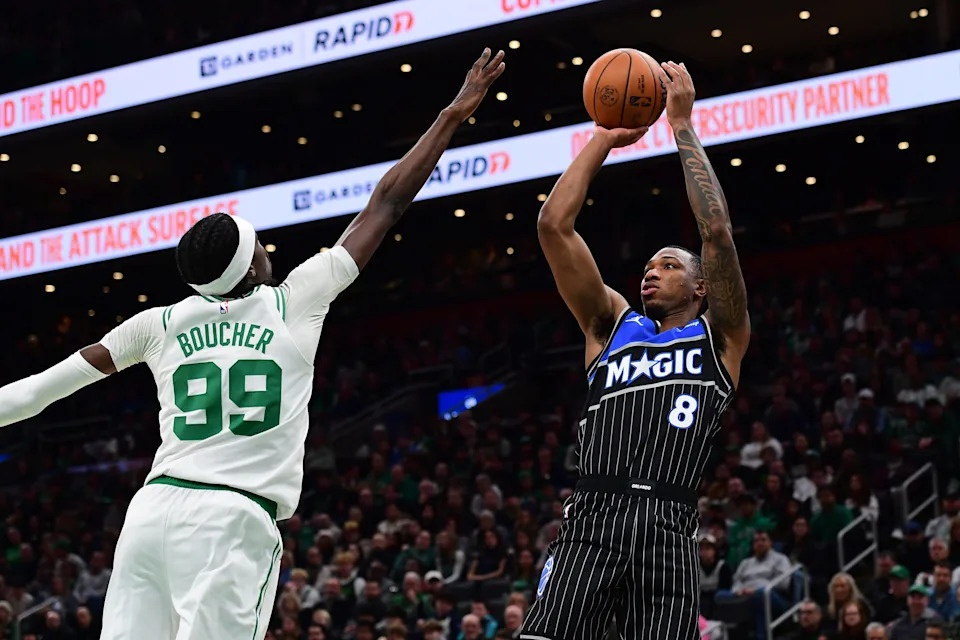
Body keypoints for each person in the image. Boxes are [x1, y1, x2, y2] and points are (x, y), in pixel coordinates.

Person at [0, 49, 506, 640]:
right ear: (252, 265)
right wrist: (452, 114)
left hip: (151, 513)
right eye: (260, 243)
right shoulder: (293, 302)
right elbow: (387, 203)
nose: (269, 247)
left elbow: (36, 394)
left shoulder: (157, 324)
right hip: (231, 519)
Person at [523, 60, 751, 640]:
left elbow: (717, 232)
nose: (650, 273)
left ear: (701, 287)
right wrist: (602, 137)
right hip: (592, 519)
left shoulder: (719, 335)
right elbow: (554, 227)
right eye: (647, 266)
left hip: (668, 521)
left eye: (668, 266)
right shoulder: (610, 325)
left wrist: (680, 127)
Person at [715, 531, 792, 640]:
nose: (760, 543)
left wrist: (757, 590)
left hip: (771, 596)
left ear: (770, 543)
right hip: (745, 596)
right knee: (720, 595)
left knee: (759, 595)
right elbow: (736, 581)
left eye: (763, 540)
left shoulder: (780, 559)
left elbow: (784, 582)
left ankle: (761, 636)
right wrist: (738, 590)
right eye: (756, 541)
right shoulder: (746, 563)